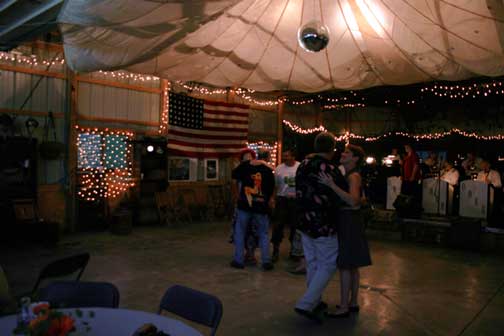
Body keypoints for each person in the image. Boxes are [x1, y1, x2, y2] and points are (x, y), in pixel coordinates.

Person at [294, 132, 348, 323]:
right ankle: (306, 303)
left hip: (304, 220)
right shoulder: (330, 169)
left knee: (313, 263)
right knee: (328, 263)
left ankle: (315, 300)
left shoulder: (303, 164)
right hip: (323, 222)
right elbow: (342, 194)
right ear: (332, 149)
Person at [318, 144, 372, 318]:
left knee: (345, 265)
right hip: (352, 221)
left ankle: (343, 306)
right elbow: (361, 199)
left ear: (355, 158)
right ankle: (353, 303)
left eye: (347, 153)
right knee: (353, 266)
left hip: (349, 220)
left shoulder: (353, 176)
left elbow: (353, 201)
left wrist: (331, 185)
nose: (343, 153)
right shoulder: (350, 174)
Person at [231, 149, 275, 270]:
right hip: (261, 207)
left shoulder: (245, 166)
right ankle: (266, 260)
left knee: (240, 232)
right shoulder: (268, 170)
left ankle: (238, 260)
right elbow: (271, 189)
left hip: (244, 205)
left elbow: (233, 175)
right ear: (267, 158)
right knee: (263, 233)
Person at [271, 148, 300, 263]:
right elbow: (275, 186)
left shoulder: (299, 167)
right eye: (284, 155)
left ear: (293, 157)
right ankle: (275, 250)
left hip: (296, 200)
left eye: (287, 155)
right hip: (282, 199)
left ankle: (294, 251)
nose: (285, 157)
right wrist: (273, 198)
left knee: (295, 225)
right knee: (278, 225)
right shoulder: (279, 169)